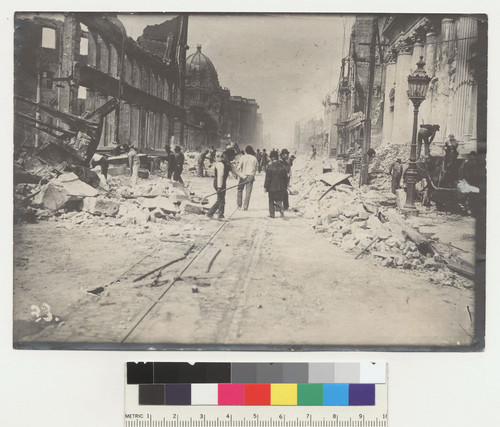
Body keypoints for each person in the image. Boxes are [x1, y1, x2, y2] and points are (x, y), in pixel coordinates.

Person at [206, 151, 231, 220]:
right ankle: (220, 215)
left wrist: (245, 178)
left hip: (222, 183)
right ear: (225, 157)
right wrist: (219, 187)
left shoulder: (227, 164)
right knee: (221, 200)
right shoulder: (220, 164)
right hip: (218, 183)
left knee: (220, 199)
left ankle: (210, 213)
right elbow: (220, 176)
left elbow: (235, 171)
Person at [264, 150, 288, 218]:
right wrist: (285, 186)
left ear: (272, 158)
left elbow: (267, 178)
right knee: (278, 199)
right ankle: (281, 209)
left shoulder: (269, 166)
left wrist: (266, 187)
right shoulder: (282, 166)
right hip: (281, 187)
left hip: (272, 187)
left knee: (271, 200)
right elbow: (285, 178)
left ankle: (272, 214)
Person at [236, 145, 258, 210]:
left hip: (243, 175)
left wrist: (238, 174)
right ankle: (245, 206)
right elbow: (256, 168)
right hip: (250, 176)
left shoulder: (243, 157)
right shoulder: (254, 158)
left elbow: (238, 166)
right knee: (248, 192)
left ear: (245, 151)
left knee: (240, 190)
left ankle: (239, 205)